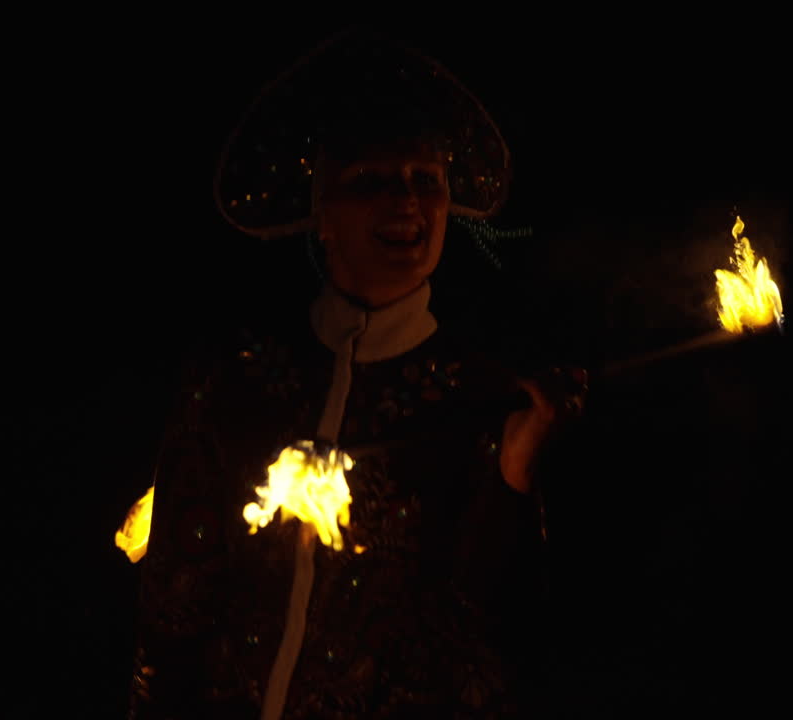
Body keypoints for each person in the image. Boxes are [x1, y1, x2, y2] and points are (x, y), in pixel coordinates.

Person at [130, 29, 585, 719]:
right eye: (370, 181)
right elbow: (173, 598)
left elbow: (499, 626)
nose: (406, 202)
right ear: (322, 216)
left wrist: (516, 472)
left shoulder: (485, 396)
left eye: (425, 182)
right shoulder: (235, 375)